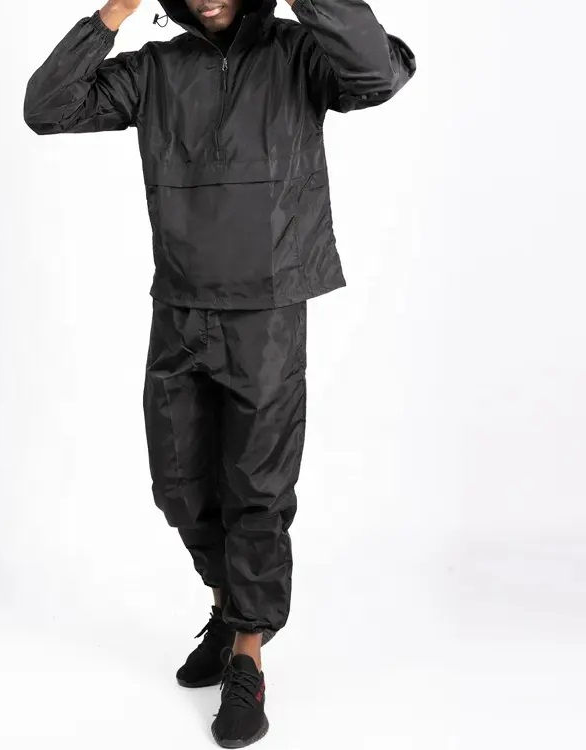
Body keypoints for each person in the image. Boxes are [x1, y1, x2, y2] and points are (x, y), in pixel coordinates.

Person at [23, 0, 415, 744]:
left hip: (267, 306)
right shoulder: (157, 69)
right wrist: (115, 12)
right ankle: (232, 607)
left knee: (256, 490)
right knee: (178, 484)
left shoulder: (300, 53)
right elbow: (48, 108)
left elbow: (376, 73)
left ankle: (247, 656)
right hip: (179, 303)